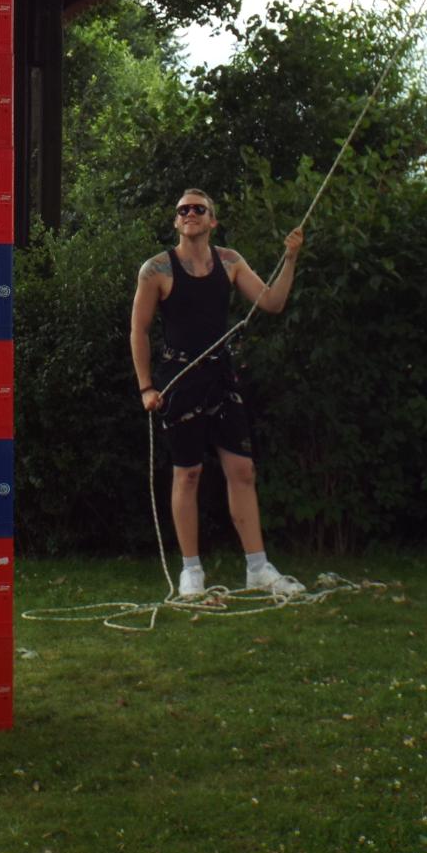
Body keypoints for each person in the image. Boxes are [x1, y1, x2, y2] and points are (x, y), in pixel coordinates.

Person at [129, 188, 306, 601]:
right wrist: (146, 387)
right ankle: (192, 571)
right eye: (182, 209)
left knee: (243, 471)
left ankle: (258, 568)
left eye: (198, 209)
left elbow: (272, 302)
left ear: (212, 220)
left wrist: (291, 258)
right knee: (187, 474)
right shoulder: (155, 269)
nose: (189, 213)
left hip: (221, 378)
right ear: (176, 221)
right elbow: (139, 329)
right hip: (178, 380)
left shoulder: (230, 261)